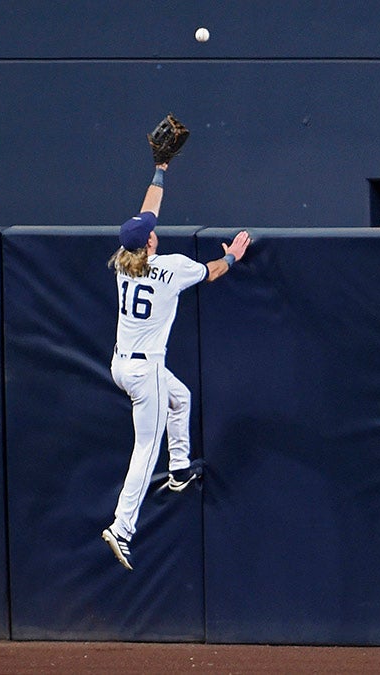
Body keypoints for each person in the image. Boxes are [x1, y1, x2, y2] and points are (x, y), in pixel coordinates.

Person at [101, 160, 251, 571]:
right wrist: (234, 257)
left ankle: (181, 467)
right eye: (149, 230)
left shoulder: (121, 263)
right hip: (145, 371)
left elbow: (147, 213)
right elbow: (215, 271)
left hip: (120, 365)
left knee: (180, 397)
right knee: (145, 450)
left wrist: (159, 170)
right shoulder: (173, 268)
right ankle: (122, 527)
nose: (153, 228)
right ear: (149, 242)